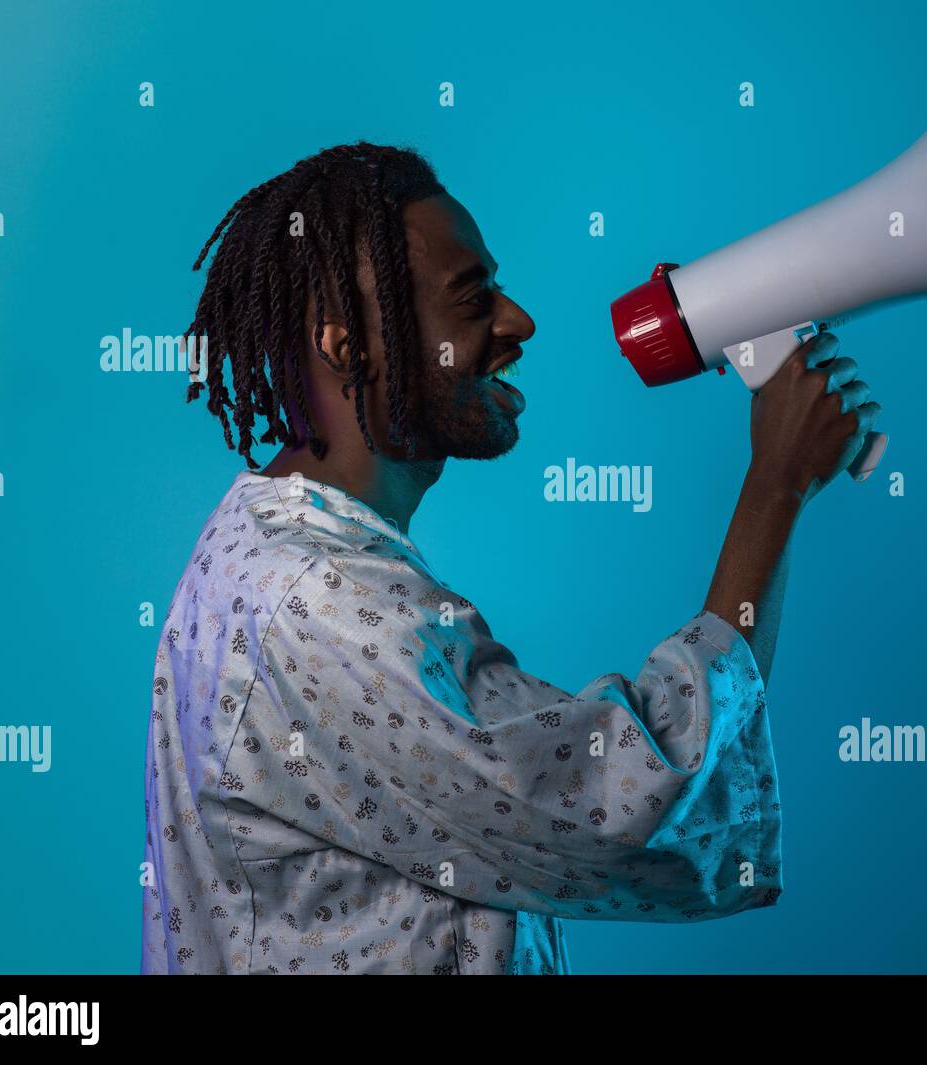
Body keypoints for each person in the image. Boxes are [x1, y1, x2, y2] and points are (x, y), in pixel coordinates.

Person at [140, 142, 879, 975]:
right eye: (471, 297)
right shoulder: (320, 603)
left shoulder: (280, 552)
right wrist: (774, 490)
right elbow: (630, 808)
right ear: (346, 346)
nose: (517, 320)